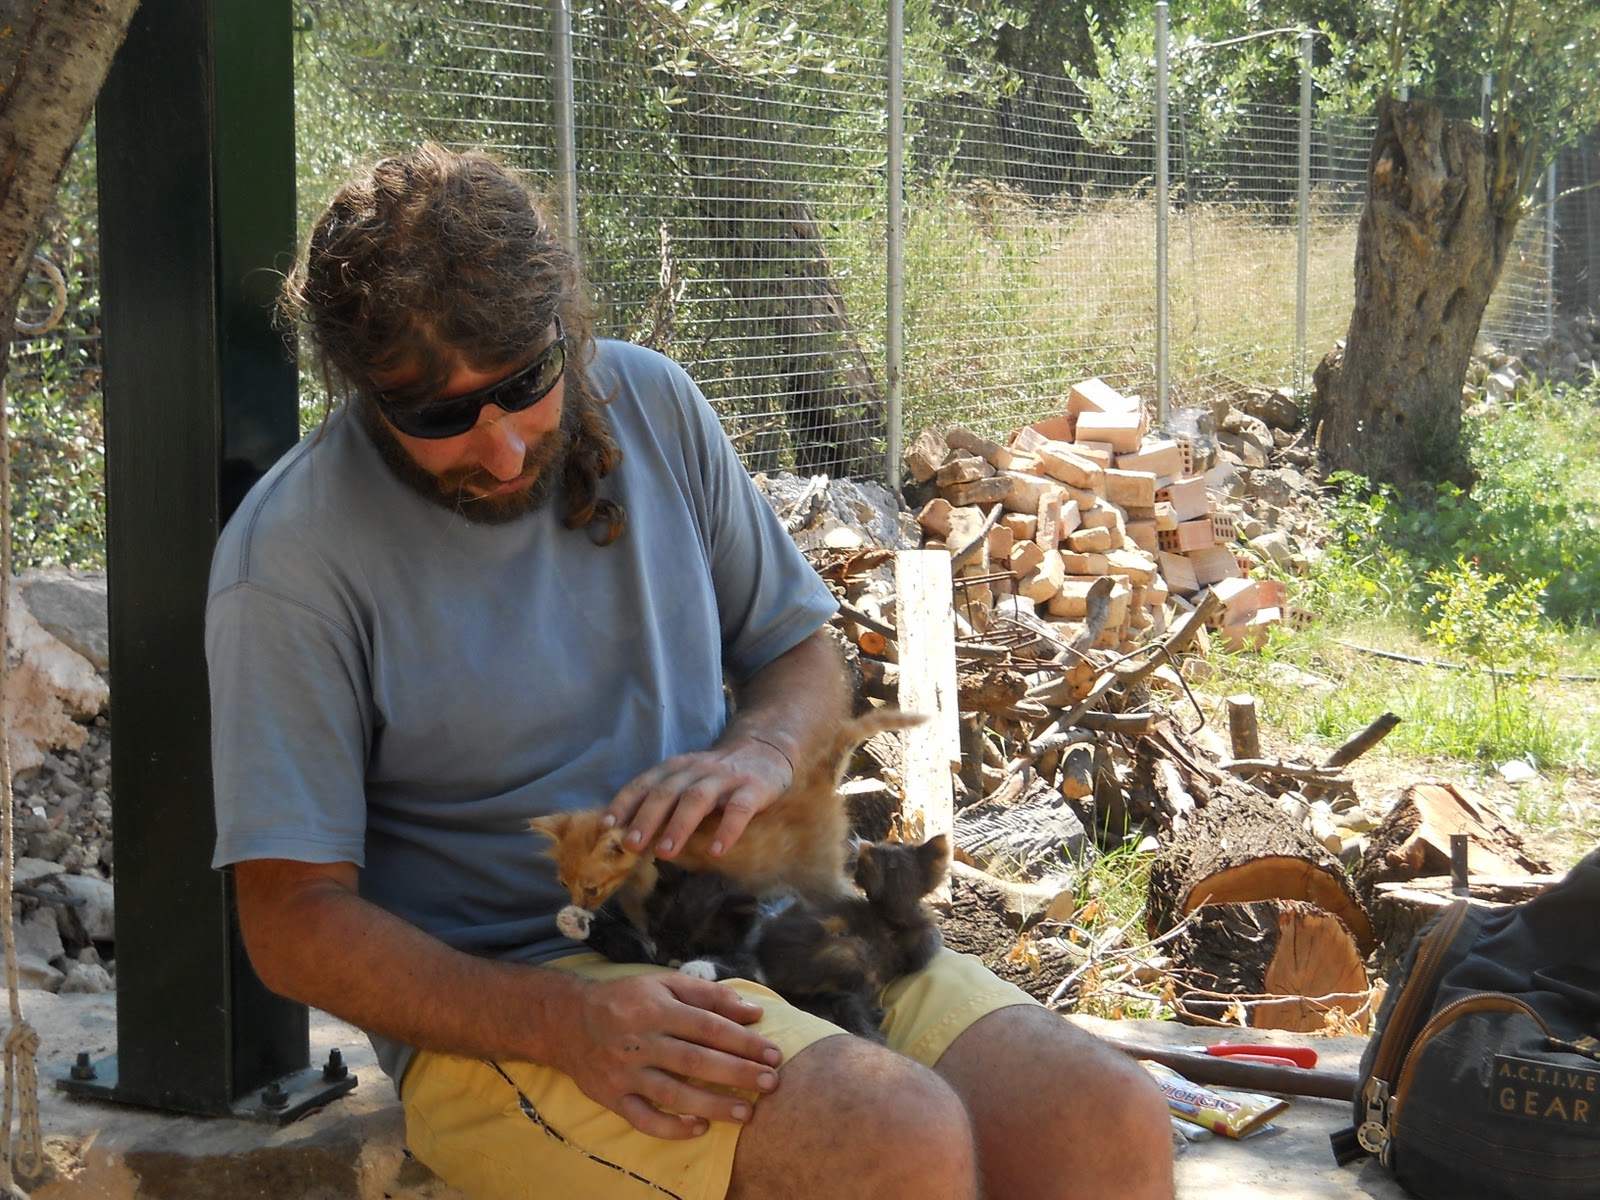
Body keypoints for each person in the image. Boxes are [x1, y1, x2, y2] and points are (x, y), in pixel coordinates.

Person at [206, 142, 1174, 1200]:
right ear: (360, 393)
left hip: (760, 914)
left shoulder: (652, 403)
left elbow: (798, 652)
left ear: (566, 329)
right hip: (526, 995)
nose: (499, 451)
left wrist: (760, 748)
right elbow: (291, 923)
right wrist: (562, 1021)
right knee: (890, 1137)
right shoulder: (291, 559)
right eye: (438, 418)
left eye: (526, 386)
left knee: (1103, 1117)